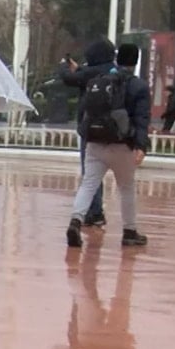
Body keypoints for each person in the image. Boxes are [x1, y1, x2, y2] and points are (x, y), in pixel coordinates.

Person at [67, 43, 150, 249]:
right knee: (126, 188)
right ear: (135, 61)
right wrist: (141, 146)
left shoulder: (99, 81)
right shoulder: (138, 86)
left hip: (95, 142)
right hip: (122, 145)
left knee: (88, 184)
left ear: (117, 58)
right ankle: (129, 232)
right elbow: (141, 119)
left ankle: (76, 221)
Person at [59, 38, 117, 228]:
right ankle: (121, 222)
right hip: (114, 128)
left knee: (90, 173)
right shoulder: (114, 71)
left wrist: (63, 67)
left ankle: (94, 212)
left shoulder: (90, 72)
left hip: (91, 128)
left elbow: (69, 79)